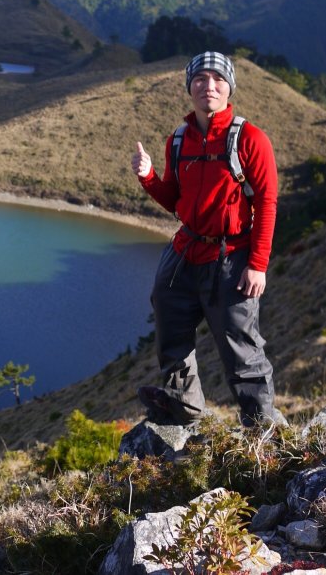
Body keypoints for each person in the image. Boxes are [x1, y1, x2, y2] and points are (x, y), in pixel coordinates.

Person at [131, 51, 284, 427]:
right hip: (186, 249)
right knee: (169, 318)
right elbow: (174, 199)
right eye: (200, 79)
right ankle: (183, 405)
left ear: (229, 87)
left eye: (217, 79)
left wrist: (258, 264)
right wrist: (149, 176)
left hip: (231, 255)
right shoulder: (179, 140)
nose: (208, 86)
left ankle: (262, 427)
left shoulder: (250, 138)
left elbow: (266, 202)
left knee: (239, 344)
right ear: (190, 88)